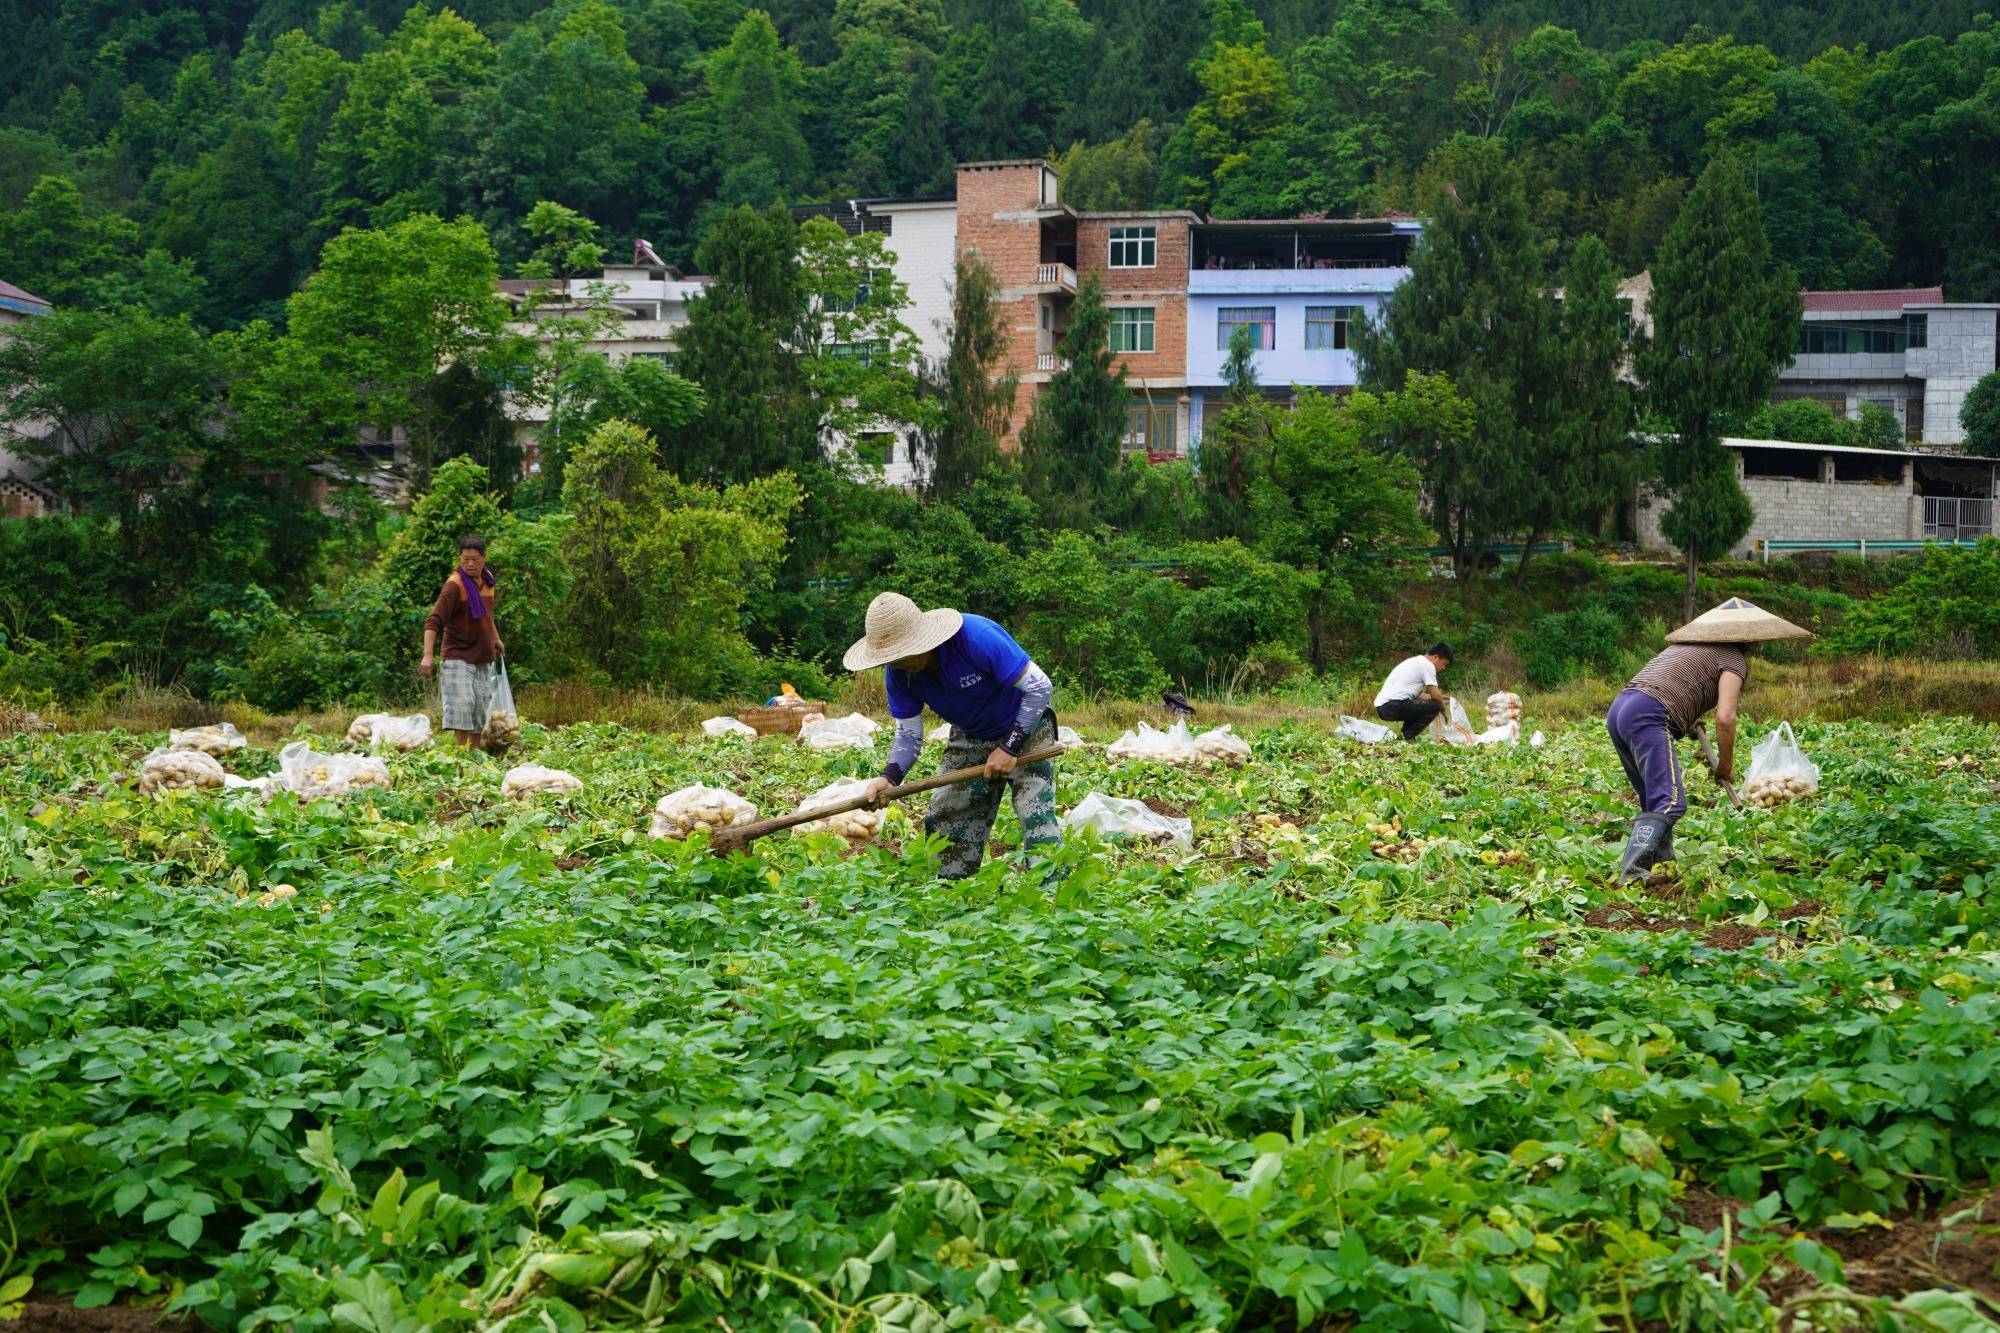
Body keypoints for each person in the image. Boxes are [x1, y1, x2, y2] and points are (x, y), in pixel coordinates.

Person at [848, 592, 1059, 880]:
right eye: (890, 658)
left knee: (1034, 814)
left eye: (902, 654)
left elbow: (1039, 687)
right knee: (946, 813)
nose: (897, 664)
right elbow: (909, 734)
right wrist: (890, 777)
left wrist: (1010, 748)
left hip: (1026, 724)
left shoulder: (975, 638)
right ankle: (950, 898)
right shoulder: (899, 673)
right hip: (971, 732)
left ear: (921, 639)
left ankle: (1051, 897)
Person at [1607, 597, 1810, 881]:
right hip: (1648, 713)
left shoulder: (1684, 648)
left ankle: (1662, 869)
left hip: (1621, 709)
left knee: (1654, 802)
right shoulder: (1734, 659)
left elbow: (1672, 685)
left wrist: (1687, 719)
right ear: (1752, 638)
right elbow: (1726, 718)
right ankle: (1632, 874)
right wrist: (1725, 765)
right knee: (1671, 802)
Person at [419, 535, 506, 748]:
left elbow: (486, 614)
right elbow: (434, 620)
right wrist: (428, 655)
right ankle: (460, 755)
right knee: (463, 705)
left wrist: (495, 638)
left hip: (482, 655)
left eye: (474, 559)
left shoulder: (488, 581)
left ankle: (473, 754)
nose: (469, 564)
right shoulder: (454, 585)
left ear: (483, 559)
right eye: (465, 559)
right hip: (458, 654)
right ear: (460, 558)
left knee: (480, 709)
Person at [1373, 643, 1455, 741]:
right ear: (1436, 658)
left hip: (1383, 707)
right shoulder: (1428, 665)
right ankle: (1407, 737)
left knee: (1421, 705)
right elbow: (1435, 696)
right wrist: (1445, 711)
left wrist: (1440, 697)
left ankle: (1404, 736)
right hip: (1392, 706)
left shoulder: (1415, 661)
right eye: (1444, 664)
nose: (1443, 668)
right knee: (1435, 706)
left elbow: (1419, 695)